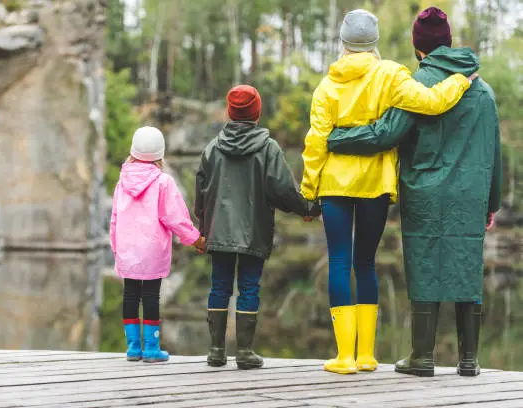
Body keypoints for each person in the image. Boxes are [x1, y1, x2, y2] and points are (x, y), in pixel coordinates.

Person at [300, 9, 478, 375]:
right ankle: (367, 355)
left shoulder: (327, 86)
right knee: (365, 262)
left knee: (338, 261)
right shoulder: (392, 75)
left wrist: (309, 189)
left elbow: (316, 142)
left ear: (343, 42)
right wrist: (460, 80)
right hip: (375, 185)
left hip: (334, 183)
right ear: (374, 41)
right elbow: (432, 102)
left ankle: (344, 357)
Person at [195, 85, 320, 370]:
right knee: (249, 287)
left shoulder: (212, 148)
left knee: (219, 286)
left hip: (218, 231)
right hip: (254, 230)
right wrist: (308, 209)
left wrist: (203, 227)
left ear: (230, 112)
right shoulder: (268, 148)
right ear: (257, 112)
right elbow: (283, 191)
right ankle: (245, 352)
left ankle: (216, 351)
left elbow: (201, 191)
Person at [110, 126, 206, 363]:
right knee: (151, 296)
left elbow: (114, 218)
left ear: (133, 151)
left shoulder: (122, 181)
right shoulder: (163, 182)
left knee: (130, 295)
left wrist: (116, 247)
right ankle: (151, 348)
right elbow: (175, 217)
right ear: (160, 154)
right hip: (152, 249)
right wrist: (194, 238)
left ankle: (133, 348)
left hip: (127, 248)